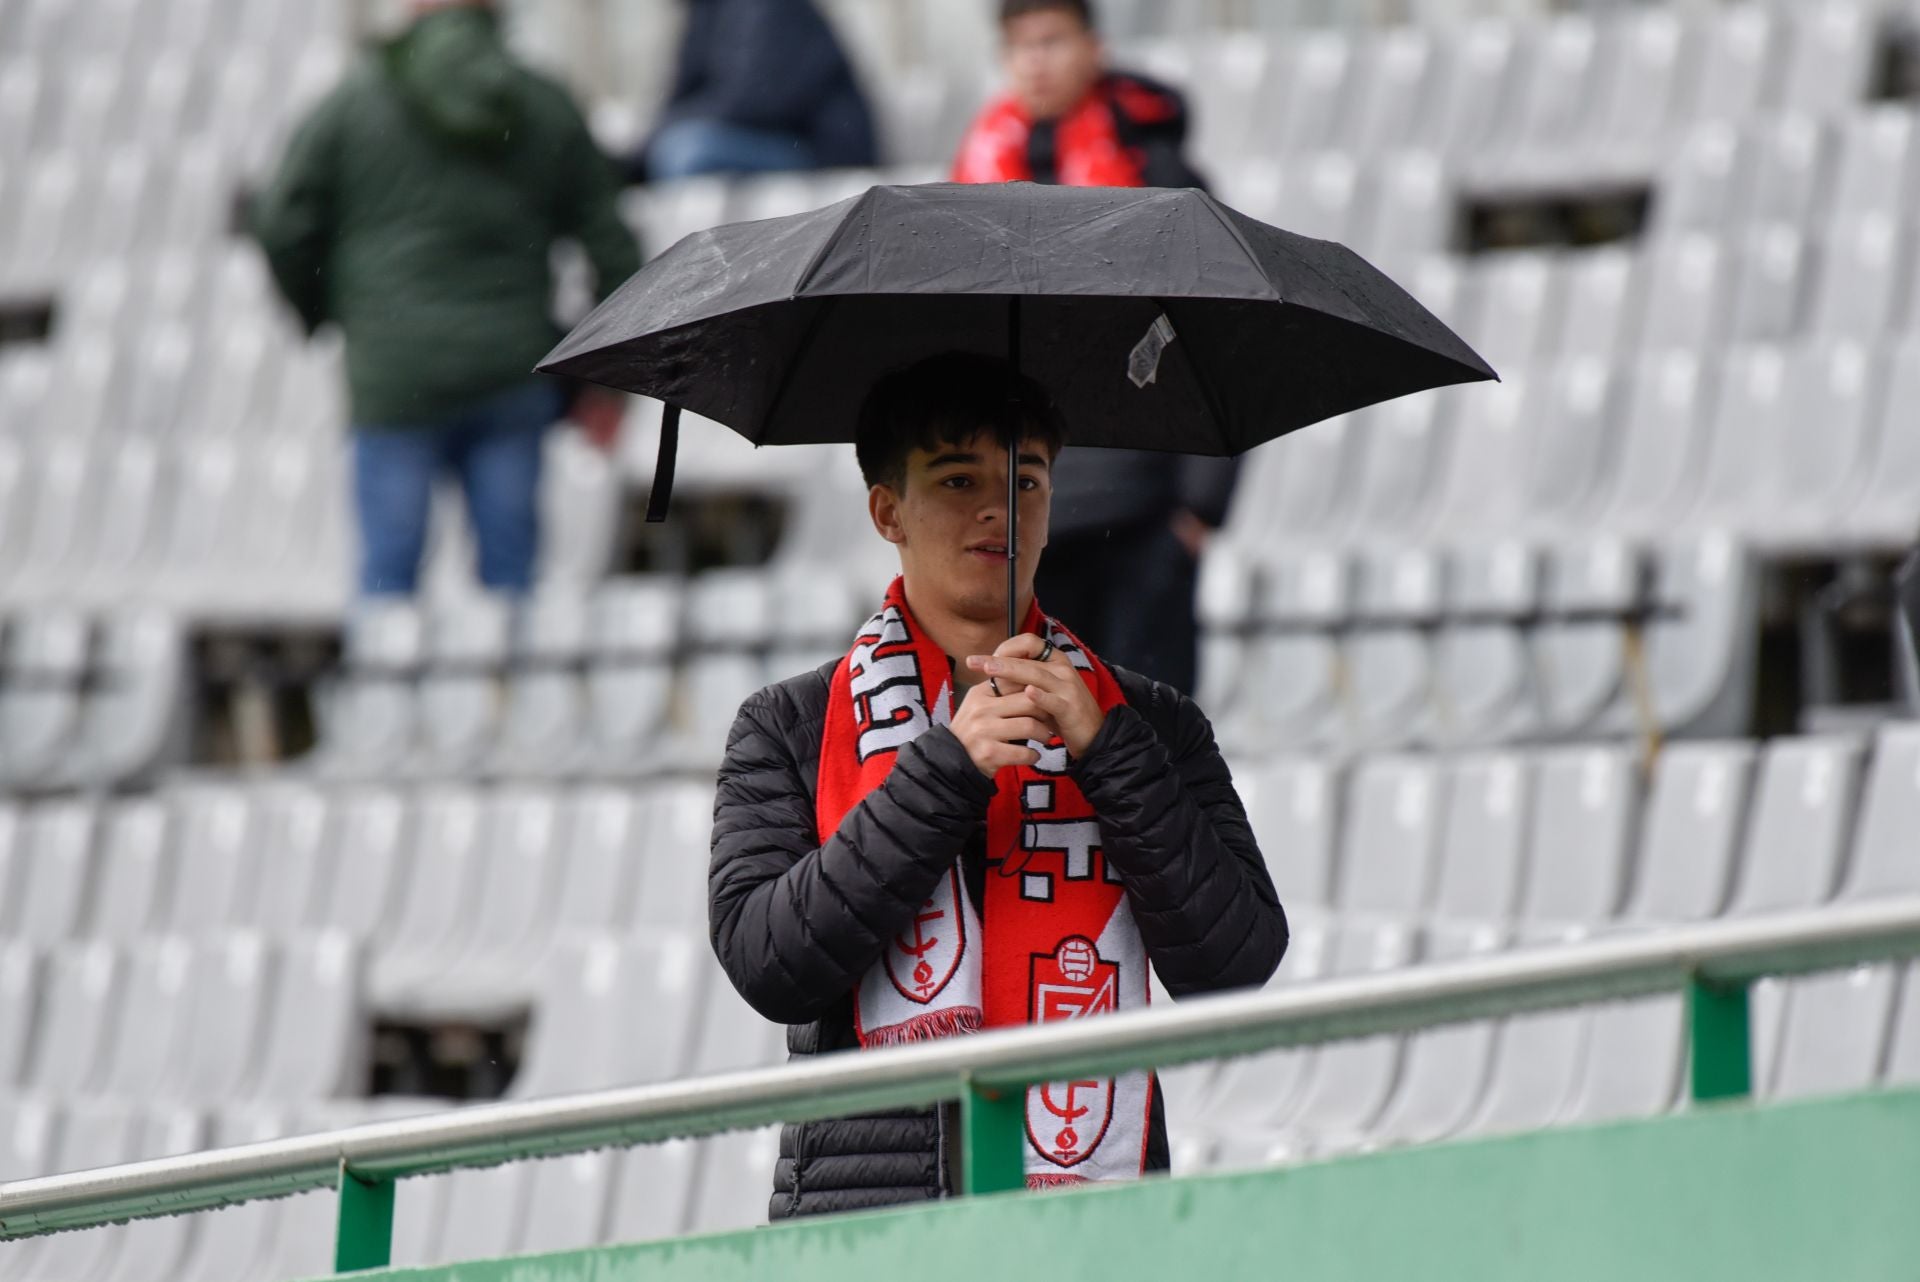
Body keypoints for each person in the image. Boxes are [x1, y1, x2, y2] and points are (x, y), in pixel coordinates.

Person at [709, 353, 1288, 1220]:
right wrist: (946, 771)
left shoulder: (1151, 722)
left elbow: (1235, 965)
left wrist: (1110, 751)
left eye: (1025, 479)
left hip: (1094, 1235)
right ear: (887, 511)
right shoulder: (787, 724)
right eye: (958, 479)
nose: (999, 509)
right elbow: (770, 965)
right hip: (867, 1232)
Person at [251, 0, 640, 597]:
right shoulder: (541, 103)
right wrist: (606, 382)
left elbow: (282, 223)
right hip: (512, 372)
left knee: (389, 584)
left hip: (394, 373)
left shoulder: (353, 102)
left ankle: (386, 664)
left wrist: (327, 310)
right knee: (512, 593)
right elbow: (614, 248)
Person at [952, 0, 1231, 692]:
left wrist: (1200, 507)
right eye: (1021, 46)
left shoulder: (1159, 175)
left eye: (1052, 40)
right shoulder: (975, 181)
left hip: (1143, 510)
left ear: (1093, 48)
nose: (1036, 61)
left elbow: (1215, 333)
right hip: (1025, 518)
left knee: (1149, 724)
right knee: (1043, 734)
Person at [637, 0, 878, 182]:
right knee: (660, 153)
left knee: (687, 151)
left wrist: (668, 129)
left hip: (817, 151)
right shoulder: (705, 12)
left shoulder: (769, 6)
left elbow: (756, 102)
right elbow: (680, 95)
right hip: (763, 138)